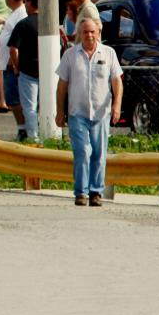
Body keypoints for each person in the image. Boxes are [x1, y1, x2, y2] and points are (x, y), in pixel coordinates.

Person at [56, 18, 123, 207]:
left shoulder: (109, 53)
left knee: (99, 154)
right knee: (83, 152)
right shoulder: (70, 55)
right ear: (79, 33)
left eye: (93, 32)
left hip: (101, 114)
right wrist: (59, 111)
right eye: (85, 32)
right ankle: (81, 192)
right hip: (78, 113)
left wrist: (117, 105)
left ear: (98, 33)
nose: (89, 35)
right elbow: (62, 86)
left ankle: (96, 192)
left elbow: (117, 82)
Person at [7, 0, 41, 140]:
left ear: (28, 2)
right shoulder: (50, 22)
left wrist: (16, 66)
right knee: (47, 106)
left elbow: (13, 49)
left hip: (27, 71)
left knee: (29, 107)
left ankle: (33, 137)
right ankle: (50, 135)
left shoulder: (23, 24)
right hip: (47, 70)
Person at [0, 0, 27, 135]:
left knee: (14, 97)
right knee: (12, 97)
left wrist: (14, 62)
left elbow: (18, 40)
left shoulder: (21, 14)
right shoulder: (15, 13)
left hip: (12, 63)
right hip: (8, 62)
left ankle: (23, 129)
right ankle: (22, 128)